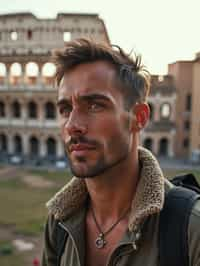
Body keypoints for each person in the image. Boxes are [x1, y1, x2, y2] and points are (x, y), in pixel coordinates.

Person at [42, 39, 200, 266]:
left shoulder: (191, 231)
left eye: (95, 105)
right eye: (65, 109)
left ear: (139, 117)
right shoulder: (58, 223)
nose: (71, 125)